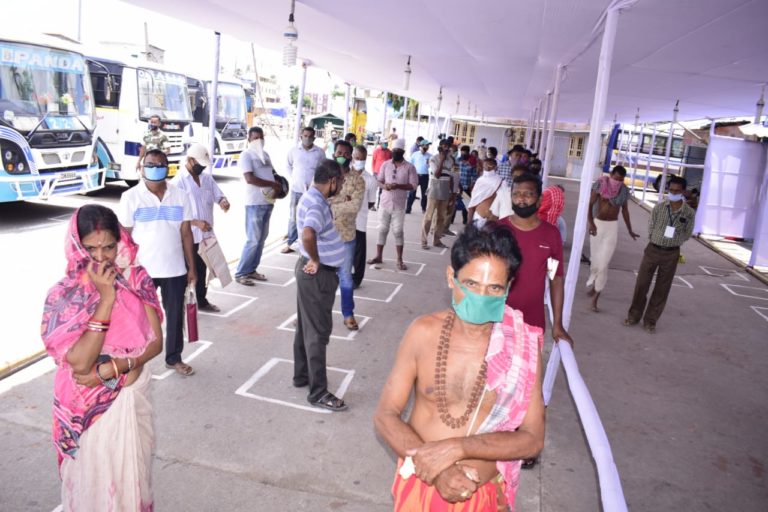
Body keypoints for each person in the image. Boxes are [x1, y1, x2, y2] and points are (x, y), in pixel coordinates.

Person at [374, 223, 544, 510]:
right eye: (472, 284)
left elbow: (532, 439)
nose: (481, 297)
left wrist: (459, 448)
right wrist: (438, 469)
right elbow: (385, 415)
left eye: (494, 288)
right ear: (451, 278)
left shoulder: (523, 346)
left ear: (508, 288)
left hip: (483, 497)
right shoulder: (423, 332)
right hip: (422, 486)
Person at [42, 205, 164, 510]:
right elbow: (81, 363)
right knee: (93, 492)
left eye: (109, 246)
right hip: (87, 411)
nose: (101, 257)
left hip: (131, 397)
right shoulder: (64, 294)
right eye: (91, 248)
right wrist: (106, 297)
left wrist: (113, 369)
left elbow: (156, 342)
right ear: (76, 245)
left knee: (131, 486)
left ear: (119, 240)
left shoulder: (136, 277)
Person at [118, 149, 197, 377]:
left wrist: (191, 267)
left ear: (167, 167)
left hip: (174, 268)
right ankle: (133, 358)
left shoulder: (180, 196)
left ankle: (174, 358)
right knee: (137, 316)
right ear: (142, 167)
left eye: (161, 164)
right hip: (142, 270)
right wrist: (124, 269)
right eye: (151, 164)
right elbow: (125, 236)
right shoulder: (130, 197)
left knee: (174, 316)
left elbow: (186, 234)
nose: (156, 167)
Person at [293, 159, 348, 411]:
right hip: (318, 275)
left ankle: (302, 375)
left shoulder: (312, 196)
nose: (343, 185)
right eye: (341, 181)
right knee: (317, 332)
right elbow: (307, 233)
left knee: (306, 327)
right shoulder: (316, 203)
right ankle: (318, 392)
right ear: (332, 181)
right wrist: (315, 258)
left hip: (312, 273)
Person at [500, 173, 573, 346]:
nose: (521, 199)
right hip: (495, 319)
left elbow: (554, 278)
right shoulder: (497, 230)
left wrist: (557, 324)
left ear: (539, 200)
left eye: (528, 194)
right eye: (516, 194)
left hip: (532, 323)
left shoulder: (550, 235)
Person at [624, 175, 695, 333]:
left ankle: (650, 321)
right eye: (671, 190)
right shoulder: (659, 208)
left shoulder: (688, 213)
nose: (673, 193)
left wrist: (675, 241)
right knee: (642, 284)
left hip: (671, 254)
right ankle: (633, 316)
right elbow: (651, 226)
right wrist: (657, 240)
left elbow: (687, 233)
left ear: (683, 191)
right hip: (652, 250)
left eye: (677, 190)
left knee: (662, 288)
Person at [172, 143, 230, 310]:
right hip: (188, 236)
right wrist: (195, 223)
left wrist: (223, 201)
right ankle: (180, 302)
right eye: (199, 164)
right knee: (186, 270)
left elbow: (218, 194)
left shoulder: (206, 178)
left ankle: (201, 300)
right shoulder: (179, 182)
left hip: (206, 236)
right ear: (190, 161)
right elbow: (175, 213)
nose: (201, 168)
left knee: (202, 268)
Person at [235, 127, 284, 285]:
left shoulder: (266, 155)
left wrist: (278, 185)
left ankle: (251, 269)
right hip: (254, 202)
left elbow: (274, 174)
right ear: (249, 139)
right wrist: (272, 184)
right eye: (255, 137)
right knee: (253, 239)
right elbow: (249, 179)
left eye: (261, 137)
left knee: (262, 238)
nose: (259, 140)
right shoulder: (246, 155)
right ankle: (241, 272)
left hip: (268, 201)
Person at [586, 165, 640, 312]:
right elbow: (590, 205)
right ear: (611, 175)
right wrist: (591, 223)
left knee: (604, 263)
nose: (618, 182)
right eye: (616, 179)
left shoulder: (623, 191)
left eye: (621, 180)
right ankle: (595, 283)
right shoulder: (600, 184)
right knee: (595, 259)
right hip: (598, 225)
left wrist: (630, 230)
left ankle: (595, 298)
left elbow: (625, 211)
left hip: (612, 227)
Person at [367, 138, 418, 270]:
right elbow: (379, 181)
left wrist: (398, 186)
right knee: (382, 229)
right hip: (385, 203)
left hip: (399, 205)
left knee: (398, 231)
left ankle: (399, 260)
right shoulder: (385, 165)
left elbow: (413, 185)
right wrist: (385, 186)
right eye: (394, 150)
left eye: (398, 151)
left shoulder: (410, 167)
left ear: (403, 152)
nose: (395, 153)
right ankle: (379, 256)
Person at [330, 140, 365, 330]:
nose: (341, 155)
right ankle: (309, 314)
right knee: (319, 277)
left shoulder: (357, 180)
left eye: (345, 152)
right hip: (324, 236)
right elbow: (316, 199)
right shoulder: (324, 173)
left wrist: (331, 203)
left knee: (345, 277)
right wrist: (344, 200)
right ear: (334, 153)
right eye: (338, 152)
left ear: (351, 156)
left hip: (346, 236)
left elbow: (354, 207)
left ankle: (348, 314)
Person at [283, 126, 326, 253]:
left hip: (313, 192)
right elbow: (288, 165)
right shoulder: (294, 151)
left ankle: (307, 243)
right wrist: (295, 178)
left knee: (311, 217)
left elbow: (323, 169)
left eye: (310, 136)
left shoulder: (319, 153)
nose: (307, 138)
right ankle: (291, 243)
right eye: (305, 136)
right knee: (293, 217)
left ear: (314, 138)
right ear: (301, 136)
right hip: (297, 190)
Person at [421, 139, 455, 249]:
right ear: (440, 146)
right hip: (434, 189)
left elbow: (451, 177)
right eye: (444, 146)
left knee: (441, 217)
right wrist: (441, 160)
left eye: (448, 146)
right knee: (429, 216)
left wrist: (451, 193)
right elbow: (437, 174)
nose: (446, 148)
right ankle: (424, 241)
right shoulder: (433, 158)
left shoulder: (450, 160)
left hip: (445, 191)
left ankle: (437, 240)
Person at [351, 144, 377, 289]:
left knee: (359, 253)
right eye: (356, 158)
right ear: (352, 158)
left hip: (360, 221)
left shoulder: (370, 180)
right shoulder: (344, 175)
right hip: (343, 221)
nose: (359, 161)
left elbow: (371, 201)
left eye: (362, 159)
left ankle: (356, 280)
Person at [468, 158, 503, 227]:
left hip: (494, 218)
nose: (487, 167)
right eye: (485, 165)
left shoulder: (500, 181)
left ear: (495, 167)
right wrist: (469, 224)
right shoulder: (480, 181)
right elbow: (473, 202)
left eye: (490, 165)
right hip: (478, 216)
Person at [407, 138, 431, 214]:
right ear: (421, 146)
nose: (427, 147)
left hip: (425, 176)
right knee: (412, 193)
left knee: (424, 194)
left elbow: (431, 167)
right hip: (415, 176)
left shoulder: (430, 156)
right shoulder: (415, 154)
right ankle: (408, 208)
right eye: (426, 145)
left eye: (428, 146)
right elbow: (410, 165)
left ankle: (424, 208)